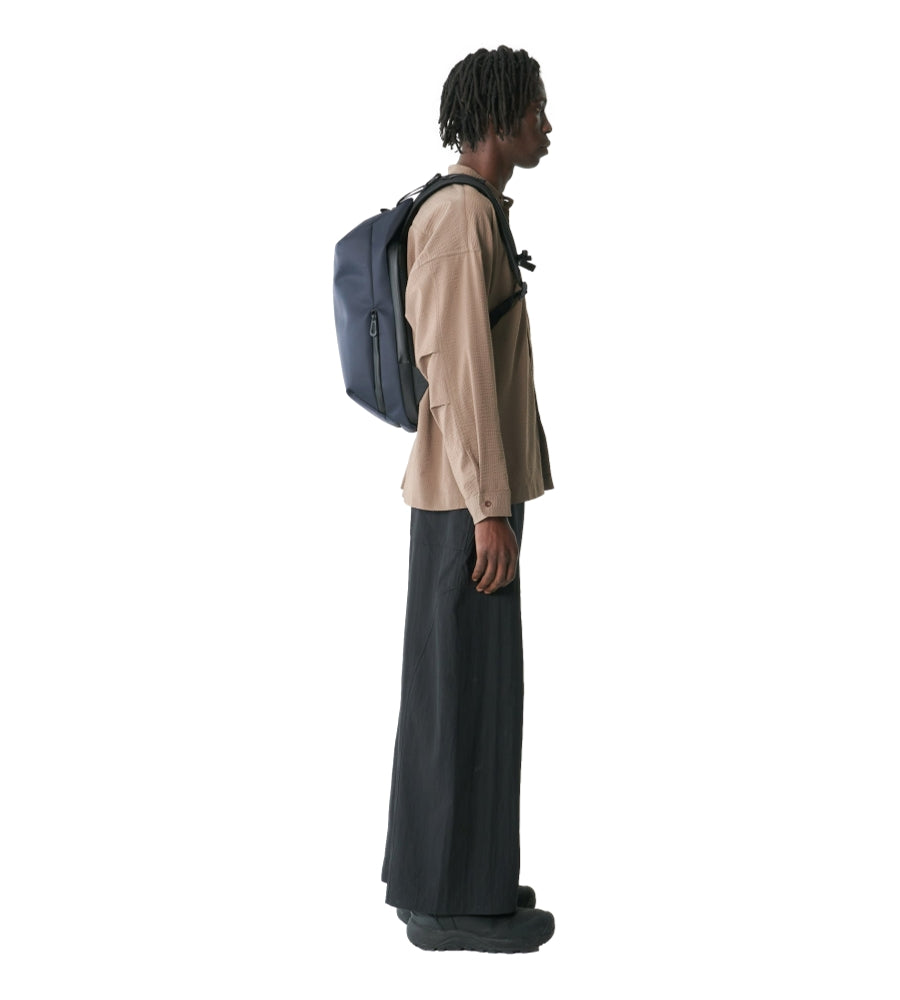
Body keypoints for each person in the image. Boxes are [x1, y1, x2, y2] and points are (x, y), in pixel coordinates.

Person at [380, 46, 556, 954]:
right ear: (497, 116)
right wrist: (489, 508)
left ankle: (465, 878)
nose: (547, 125)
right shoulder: (457, 219)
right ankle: (448, 902)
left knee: (475, 690)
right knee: (458, 694)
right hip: (465, 503)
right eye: (535, 108)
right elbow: (455, 369)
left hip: (473, 495)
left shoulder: (477, 211)